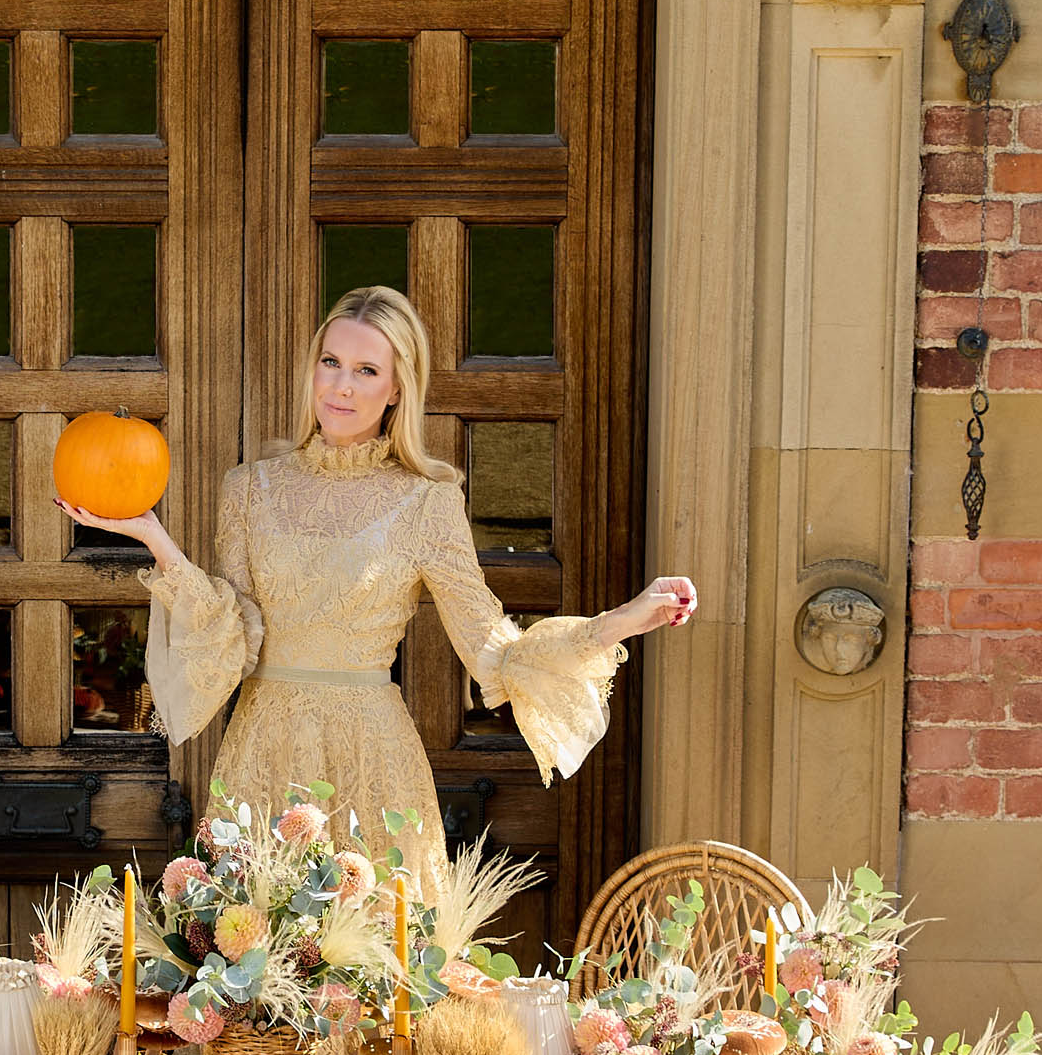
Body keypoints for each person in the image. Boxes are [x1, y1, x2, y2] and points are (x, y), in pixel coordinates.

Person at [56, 285, 696, 893]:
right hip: (261, 749)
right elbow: (235, 635)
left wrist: (618, 622)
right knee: (251, 973)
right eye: (331, 362)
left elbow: (493, 648)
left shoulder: (428, 501)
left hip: (374, 758)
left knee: (377, 979)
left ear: (396, 389)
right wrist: (154, 540)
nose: (340, 385)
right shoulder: (248, 489)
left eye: (366, 370)